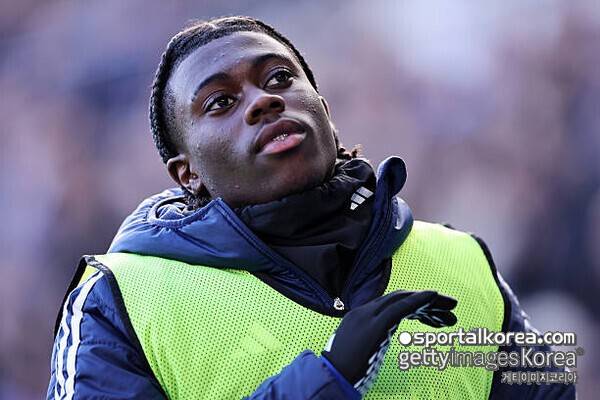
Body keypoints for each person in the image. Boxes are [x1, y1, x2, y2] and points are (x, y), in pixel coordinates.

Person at [47, 16, 575, 399]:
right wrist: (327, 380)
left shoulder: (464, 260)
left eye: (279, 78)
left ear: (325, 112)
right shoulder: (118, 300)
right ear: (188, 175)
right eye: (220, 102)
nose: (263, 100)